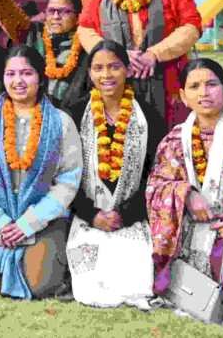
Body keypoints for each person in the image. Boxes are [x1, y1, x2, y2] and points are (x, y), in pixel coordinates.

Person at [146, 58, 223, 319]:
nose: (204, 92)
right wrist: (186, 194)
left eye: (212, 84)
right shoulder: (174, 140)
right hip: (188, 231)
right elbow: (156, 187)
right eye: (195, 86)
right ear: (183, 96)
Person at [0, 45, 82, 299]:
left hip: (44, 218)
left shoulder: (61, 122)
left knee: (39, 285)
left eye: (27, 73)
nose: (18, 81)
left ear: (40, 78)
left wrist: (29, 223)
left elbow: (68, 180)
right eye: (11, 74)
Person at [77, 0, 201, 138]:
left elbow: (191, 26)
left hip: (167, 79)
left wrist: (154, 54)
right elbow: (85, 28)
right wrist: (117, 55)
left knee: (167, 139)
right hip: (114, 79)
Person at [65, 41, 154, 309]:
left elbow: (153, 178)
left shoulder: (148, 116)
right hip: (87, 215)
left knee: (135, 279)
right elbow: (65, 174)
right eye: (99, 68)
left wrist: (125, 214)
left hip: (131, 216)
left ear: (127, 69)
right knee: (90, 284)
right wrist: (91, 214)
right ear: (89, 73)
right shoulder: (75, 113)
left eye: (114, 67)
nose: (106, 75)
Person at [0, 0, 89, 109]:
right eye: (51, 11)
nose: (56, 17)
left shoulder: (86, 44)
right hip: (30, 110)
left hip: (71, 113)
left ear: (77, 16)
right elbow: (7, 12)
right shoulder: (32, 33)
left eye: (64, 12)